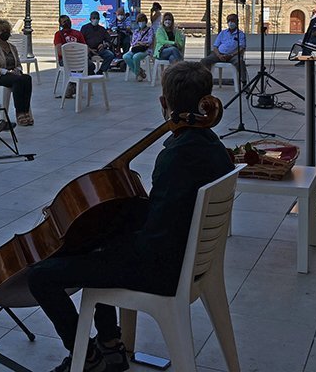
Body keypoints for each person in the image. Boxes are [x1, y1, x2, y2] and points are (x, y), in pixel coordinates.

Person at [27, 61, 234, 372]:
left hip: (162, 271)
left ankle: (87, 358)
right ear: (206, 99)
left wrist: (105, 242)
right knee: (104, 241)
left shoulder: (174, 157)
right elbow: (171, 210)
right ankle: (110, 343)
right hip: (188, 261)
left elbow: (153, 242)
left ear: (164, 103)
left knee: (41, 275)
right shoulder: (214, 148)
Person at [0, 19, 33, 126]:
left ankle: (25, 110)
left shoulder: (12, 47)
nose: (5, 33)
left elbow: (18, 64)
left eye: (6, 30)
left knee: (27, 78)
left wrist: (17, 70)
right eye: (2, 31)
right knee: (18, 81)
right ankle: (19, 113)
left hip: (12, 74)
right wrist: (7, 71)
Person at [200, 13, 248, 85]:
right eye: (229, 20)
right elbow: (215, 46)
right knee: (204, 61)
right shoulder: (223, 33)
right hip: (219, 54)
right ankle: (204, 81)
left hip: (233, 55)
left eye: (232, 20)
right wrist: (219, 55)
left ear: (237, 21)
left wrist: (231, 55)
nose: (230, 22)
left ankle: (244, 82)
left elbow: (241, 47)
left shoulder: (240, 34)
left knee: (240, 62)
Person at [53, 15, 86, 99]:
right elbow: (59, 51)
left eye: (68, 20)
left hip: (78, 59)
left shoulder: (78, 33)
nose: (67, 23)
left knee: (89, 65)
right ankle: (71, 89)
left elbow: (84, 47)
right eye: (64, 22)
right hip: (64, 59)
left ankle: (76, 86)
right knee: (75, 66)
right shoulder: (58, 34)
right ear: (60, 24)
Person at [122, 13, 154, 82]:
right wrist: (136, 44)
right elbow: (133, 42)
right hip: (135, 48)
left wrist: (142, 43)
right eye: (139, 21)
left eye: (142, 21)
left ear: (145, 21)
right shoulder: (136, 31)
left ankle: (138, 74)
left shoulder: (150, 30)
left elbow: (150, 41)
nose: (141, 23)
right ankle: (139, 72)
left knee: (135, 57)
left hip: (145, 50)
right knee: (125, 56)